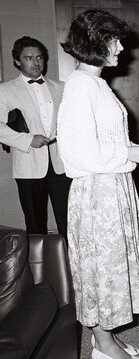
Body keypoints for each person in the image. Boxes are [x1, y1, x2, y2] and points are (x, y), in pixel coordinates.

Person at [57, 9, 139, 359]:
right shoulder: (81, 86)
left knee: (114, 264)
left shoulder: (97, 83)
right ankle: (100, 343)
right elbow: (76, 154)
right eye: (113, 40)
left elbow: (104, 138)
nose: (121, 47)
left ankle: (106, 334)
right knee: (102, 267)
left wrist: (131, 153)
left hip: (113, 185)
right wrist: (127, 152)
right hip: (97, 193)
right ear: (95, 43)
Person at [0, 36, 71, 237]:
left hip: (61, 164)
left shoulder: (61, 87)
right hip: (28, 164)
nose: (36, 62)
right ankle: (39, 265)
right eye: (29, 58)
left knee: (68, 218)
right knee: (35, 222)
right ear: (17, 61)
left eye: (39, 57)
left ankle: (70, 263)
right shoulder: (4, 90)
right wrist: (28, 139)